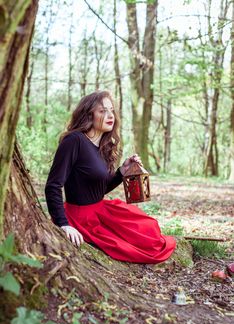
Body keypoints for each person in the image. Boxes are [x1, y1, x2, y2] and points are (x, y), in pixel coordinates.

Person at [45, 91, 176, 263]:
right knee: (137, 248)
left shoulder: (102, 146)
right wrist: (64, 224)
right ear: (88, 114)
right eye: (102, 111)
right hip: (80, 217)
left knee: (148, 228)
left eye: (111, 110)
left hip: (100, 210)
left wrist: (122, 171)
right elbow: (53, 185)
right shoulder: (74, 141)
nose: (109, 115)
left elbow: (99, 189)